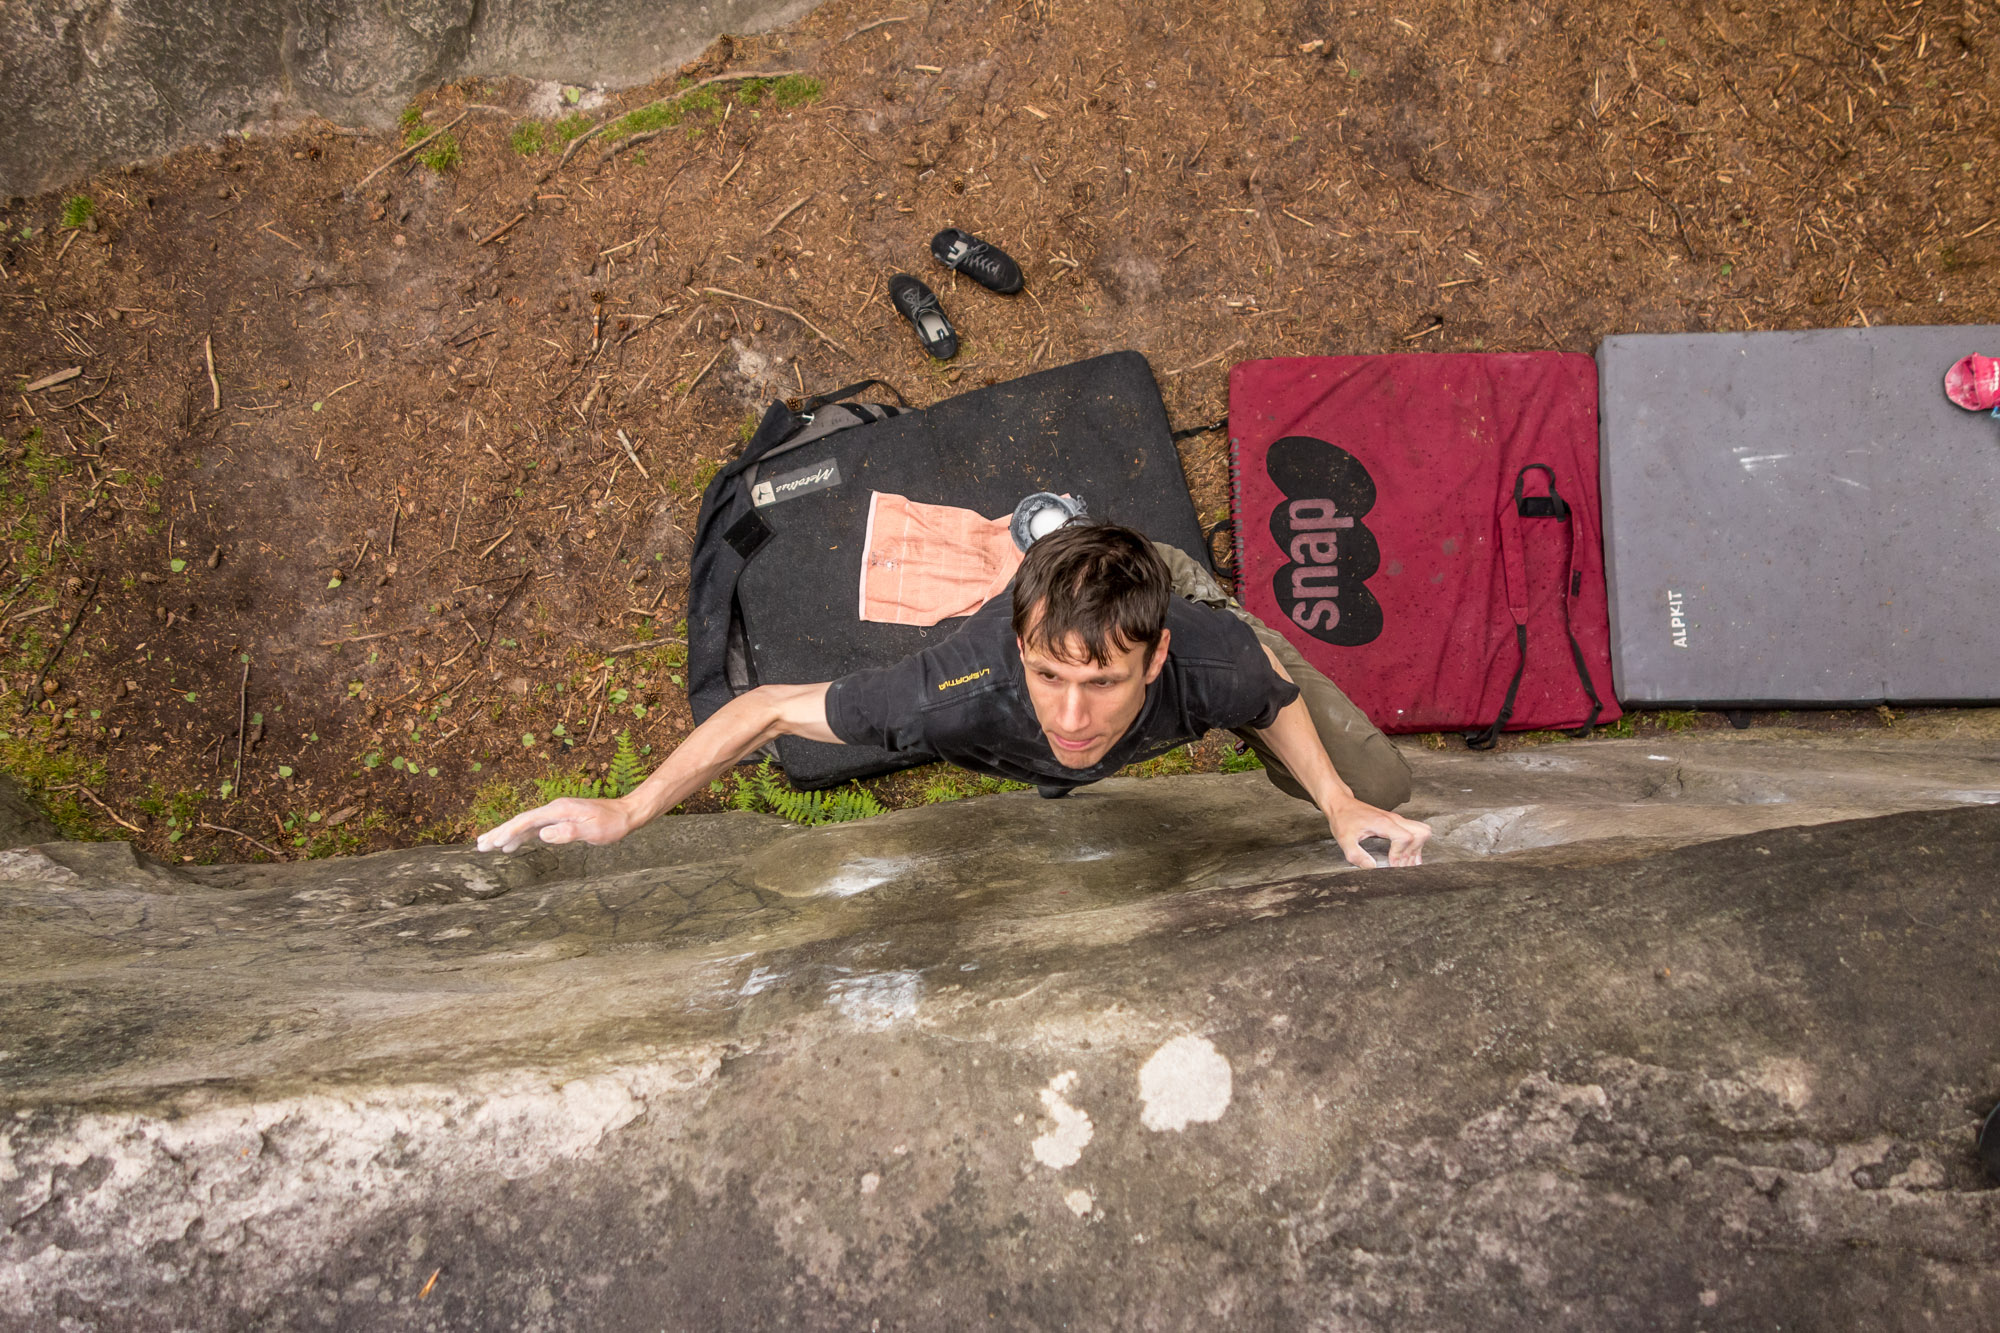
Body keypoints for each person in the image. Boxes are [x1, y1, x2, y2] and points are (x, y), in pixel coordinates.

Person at [478, 523, 1431, 869]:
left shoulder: (1210, 660)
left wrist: (1341, 805)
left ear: (1154, 660)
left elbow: (1268, 699)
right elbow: (763, 706)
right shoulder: (947, 690)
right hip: (1040, 613)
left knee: (1382, 776)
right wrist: (628, 809)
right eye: (1048, 674)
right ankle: (1042, 557)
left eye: (1101, 684)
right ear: (1018, 646)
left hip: (1175, 593)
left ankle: (1155, 565)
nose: (1069, 717)